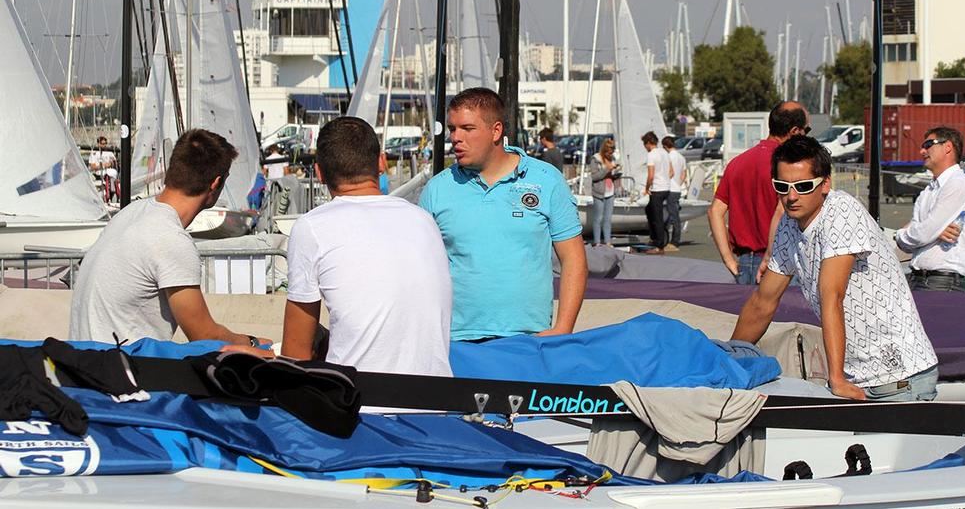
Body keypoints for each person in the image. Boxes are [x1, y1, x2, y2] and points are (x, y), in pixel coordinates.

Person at [731, 136, 938, 401]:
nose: (791, 197)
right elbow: (763, 301)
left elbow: (832, 295)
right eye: (782, 187)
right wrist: (729, 358)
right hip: (858, 377)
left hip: (899, 379)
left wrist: (836, 378)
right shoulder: (788, 224)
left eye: (803, 186)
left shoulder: (841, 211)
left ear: (825, 183)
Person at [281, 116, 452, 376]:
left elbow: (296, 355)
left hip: (360, 402)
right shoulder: (423, 220)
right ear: (381, 162)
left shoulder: (312, 227)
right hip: (436, 400)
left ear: (319, 173)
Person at [419, 87, 587, 341]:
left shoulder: (546, 180)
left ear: (496, 131)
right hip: (456, 340)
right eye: (453, 129)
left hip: (530, 338)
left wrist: (562, 329)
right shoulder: (437, 189)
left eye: (467, 128)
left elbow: (573, 258)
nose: (456, 137)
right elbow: (421, 269)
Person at [70, 129, 264, 346]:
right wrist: (254, 342)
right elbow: (204, 336)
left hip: (82, 362)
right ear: (216, 183)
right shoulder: (170, 238)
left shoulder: (130, 213)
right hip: (120, 372)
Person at [708, 101, 808, 284]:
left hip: (743, 263)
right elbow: (781, 211)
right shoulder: (788, 166)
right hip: (779, 260)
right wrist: (769, 256)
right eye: (806, 131)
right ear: (795, 131)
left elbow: (715, 211)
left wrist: (728, 258)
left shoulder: (737, 163)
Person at [896, 127, 965, 292]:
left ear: (948, 147)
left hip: (943, 282)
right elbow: (914, 238)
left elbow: (923, 233)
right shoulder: (928, 191)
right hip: (918, 278)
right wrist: (933, 233)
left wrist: (900, 234)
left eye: (928, 145)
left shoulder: (958, 184)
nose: (922, 151)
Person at [642, 131, 672, 255]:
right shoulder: (664, 152)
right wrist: (664, 179)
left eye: (645, 144)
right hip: (666, 187)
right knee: (649, 210)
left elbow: (650, 176)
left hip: (657, 189)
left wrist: (646, 188)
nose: (645, 147)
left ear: (649, 143)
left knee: (657, 217)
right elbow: (672, 171)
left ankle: (659, 245)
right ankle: (654, 238)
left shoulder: (651, 155)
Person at [589, 138, 619, 246]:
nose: (610, 154)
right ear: (604, 150)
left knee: (608, 219)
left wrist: (616, 173)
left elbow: (612, 174)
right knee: (598, 218)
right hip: (599, 192)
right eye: (608, 152)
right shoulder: (595, 159)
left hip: (610, 192)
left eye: (611, 152)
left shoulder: (612, 159)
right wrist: (607, 169)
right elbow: (595, 176)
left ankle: (607, 241)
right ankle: (597, 242)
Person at [663, 135, 687, 251]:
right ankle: (672, 240)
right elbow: (684, 174)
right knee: (674, 215)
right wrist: (678, 183)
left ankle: (674, 241)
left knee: (671, 216)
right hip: (677, 188)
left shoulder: (668, 157)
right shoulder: (681, 157)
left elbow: (669, 173)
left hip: (670, 189)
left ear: (665, 146)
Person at [88, 136, 119, 203]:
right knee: (107, 175)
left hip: (108, 171)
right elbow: (93, 167)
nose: (104, 145)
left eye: (105, 143)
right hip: (98, 172)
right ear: (98, 144)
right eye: (102, 143)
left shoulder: (109, 152)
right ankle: (107, 196)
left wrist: (111, 164)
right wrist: (104, 165)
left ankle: (114, 194)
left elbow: (114, 163)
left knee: (112, 173)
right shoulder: (94, 153)